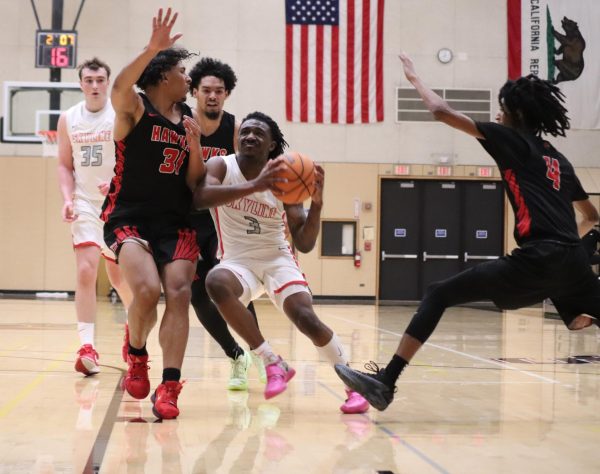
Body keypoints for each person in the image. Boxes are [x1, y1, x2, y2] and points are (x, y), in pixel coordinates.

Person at [335, 53, 600, 411]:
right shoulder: (559, 160)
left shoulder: (512, 140)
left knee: (438, 294)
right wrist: (570, 252)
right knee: (579, 307)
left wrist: (415, 80)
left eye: (501, 108)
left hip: (539, 257)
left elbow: (441, 112)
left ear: (516, 115)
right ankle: (576, 312)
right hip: (572, 262)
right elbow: (592, 215)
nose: (497, 115)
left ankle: (386, 381)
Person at [193, 111, 369, 414]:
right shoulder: (222, 164)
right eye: (245, 131)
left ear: (271, 143)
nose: (250, 136)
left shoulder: (286, 177)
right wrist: (256, 184)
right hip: (237, 261)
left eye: (259, 133)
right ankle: (271, 361)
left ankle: (355, 387)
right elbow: (201, 197)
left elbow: (304, 242)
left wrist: (318, 205)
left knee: (306, 318)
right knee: (214, 282)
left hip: (276, 258)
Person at [100, 8, 205, 419]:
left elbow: (195, 181)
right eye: (182, 70)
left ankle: (171, 385)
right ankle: (138, 353)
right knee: (145, 291)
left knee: (179, 293)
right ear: (164, 76)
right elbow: (118, 85)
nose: (188, 78)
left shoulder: (188, 119)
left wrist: (195, 146)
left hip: (174, 222)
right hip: (129, 217)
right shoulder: (136, 108)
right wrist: (151, 48)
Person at [188, 57, 265, 390]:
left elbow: (250, 174)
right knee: (197, 295)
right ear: (194, 92)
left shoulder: (236, 130)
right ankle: (236, 355)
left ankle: (261, 355)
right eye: (206, 90)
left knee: (239, 293)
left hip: (225, 221)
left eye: (219, 91)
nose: (213, 96)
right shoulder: (181, 123)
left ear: (227, 94)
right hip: (187, 218)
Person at [57, 57, 133, 376]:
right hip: (86, 203)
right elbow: (64, 164)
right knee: (87, 271)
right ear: (80, 84)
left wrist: (117, 182)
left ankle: (134, 329)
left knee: (119, 277)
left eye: (100, 79)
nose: (95, 86)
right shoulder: (68, 119)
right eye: (88, 80)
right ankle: (87, 346)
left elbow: (135, 160)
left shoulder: (120, 115)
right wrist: (66, 199)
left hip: (117, 203)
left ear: (108, 81)